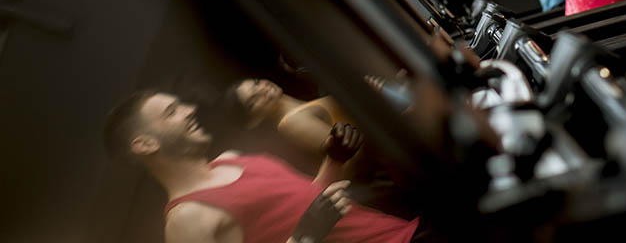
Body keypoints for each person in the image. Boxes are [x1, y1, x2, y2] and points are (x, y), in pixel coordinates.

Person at [103, 88, 419, 243]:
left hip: (407, 233)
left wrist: (335, 158)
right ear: (145, 144)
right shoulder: (185, 219)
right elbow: (307, 225)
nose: (187, 111)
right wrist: (305, 238)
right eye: (171, 112)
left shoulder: (231, 157)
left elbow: (309, 202)